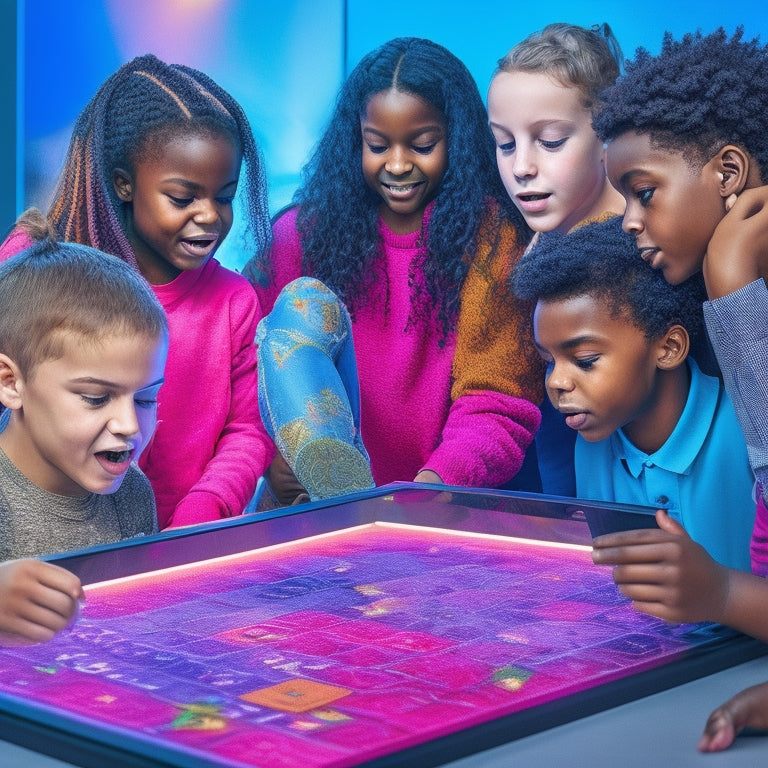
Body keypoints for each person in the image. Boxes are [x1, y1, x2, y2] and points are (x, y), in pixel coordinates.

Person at [245, 37, 543, 503]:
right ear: (355, 140)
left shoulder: (493, 240)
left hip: (445, 507)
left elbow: (496, 402)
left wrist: (429, 491)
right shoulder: (299, 234)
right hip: (324, 510)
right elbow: (246, 366)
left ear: (457, 140)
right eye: (378, 145)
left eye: (423, 145)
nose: (399, 164)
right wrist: (275, 454)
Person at [588, 27, 768, 751]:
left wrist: (721, 593)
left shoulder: (738, 305)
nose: (630, 220)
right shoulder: (725, 307)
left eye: (644, 191)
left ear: (728, 170)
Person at [0, 54, 274, 529]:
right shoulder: (35, 263)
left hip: (174, 541)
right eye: (183, 198)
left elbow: (248, 430)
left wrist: (200, 513)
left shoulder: (234, 301)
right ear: (125, 185)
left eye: (224, 197)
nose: (210, 216)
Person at [512, 216, 754, 571]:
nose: (556, 382)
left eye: (585, 360)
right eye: (548, 361)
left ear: (669, 348)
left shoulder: (748, 430)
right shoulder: (591, 445)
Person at [0, 239, 167, 645]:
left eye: (145, 398)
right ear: (11, 382)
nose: (130, 425)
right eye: (96, 398)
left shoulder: (131, 494)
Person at [486, 23, 626, 496]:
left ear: (607, 134)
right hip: (567, 493)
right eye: (505, 144)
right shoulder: (533, 245)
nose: (521, 166)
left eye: (549, 141)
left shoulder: (651, 241)